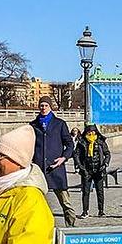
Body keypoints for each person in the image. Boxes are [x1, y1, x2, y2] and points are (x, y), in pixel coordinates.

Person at [30, 97, 76, 227]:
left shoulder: (59, 124)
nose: (43, 108)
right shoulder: (33, 125)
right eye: (41, 105)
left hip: (56, 169)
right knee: (37, 202)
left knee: (65, 202)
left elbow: (70, 144)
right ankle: (41, 229)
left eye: (45, 105)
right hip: (39, 169)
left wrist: (64, 158)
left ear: (50, 107)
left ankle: (70, 227)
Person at [74, 124, 111, 218]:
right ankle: (85, 211)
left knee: (100, 191)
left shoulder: (100, 141)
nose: (91, 133)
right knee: (85, 192)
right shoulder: (82, 142)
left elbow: (107, 154)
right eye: (89, 132)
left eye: (93, 132)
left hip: (99, 169)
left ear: (96, 132)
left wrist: (105, 163)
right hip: (86, 169)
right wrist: (80, 166)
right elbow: (76, 155)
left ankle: (101, 211)